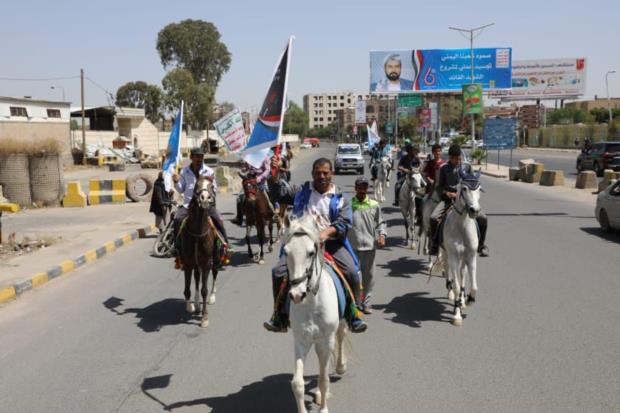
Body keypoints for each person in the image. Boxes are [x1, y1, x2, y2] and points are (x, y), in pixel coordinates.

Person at [263, 158, 368, 333]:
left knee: (351, 271)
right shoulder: (300, 191)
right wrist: (273, 176)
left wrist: (324, 234)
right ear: (312, 174)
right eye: (318, 173)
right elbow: (278, 193)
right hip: (301, 245)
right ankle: (279, 316)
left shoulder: (340, 198)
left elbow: (344, 222)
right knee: (278, 272)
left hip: (331, 244)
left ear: (331, 174)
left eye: (325, 173)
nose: (322, 176)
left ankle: (354, 315)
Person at [172, 147, 231, 267]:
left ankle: (226, 245)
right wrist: (176, 182)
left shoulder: (209, 171)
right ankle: (176, 247)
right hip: (189, 205)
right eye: (197, 156)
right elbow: (181, 189)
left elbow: (214, 189)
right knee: (177, 219)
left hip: (206, 205)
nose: (199, 159)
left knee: (219, 220)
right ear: (191, 158)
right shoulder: (184, 171)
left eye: (201, 157)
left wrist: (208, 187)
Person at [428, 144, 489, 257]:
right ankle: (435, 245)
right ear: (450, 157)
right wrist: (447, 193)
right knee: (433, 218)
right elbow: (439, 187)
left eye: (459, 158)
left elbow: (472, 182)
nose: (458, 160)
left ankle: (481, 246)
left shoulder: (467, 167)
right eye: (455, 158)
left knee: (483, 218)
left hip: (465, 201)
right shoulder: (444, 168)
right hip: (448, 200)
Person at [349, 177, 386, 314]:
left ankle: (367, 303)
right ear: (356, 188)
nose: (362, 190)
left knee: (369, 277)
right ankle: (356, 302)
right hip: (352, 248)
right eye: (360, 187)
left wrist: (382, 235)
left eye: (365, 187)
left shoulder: (374, 205)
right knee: (354, 277)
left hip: (370, 247)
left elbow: (380, 222)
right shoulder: (348, 204)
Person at [231, 153, 272, 226]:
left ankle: (272, 213)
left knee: (269, 197)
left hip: (261, 182)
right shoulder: (250, 157)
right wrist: (242, 169)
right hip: (250, 181)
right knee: (239, 198)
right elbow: (246, 169)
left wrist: (260, 177)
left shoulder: (265, 157)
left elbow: (267, 170)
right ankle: (239, 217)